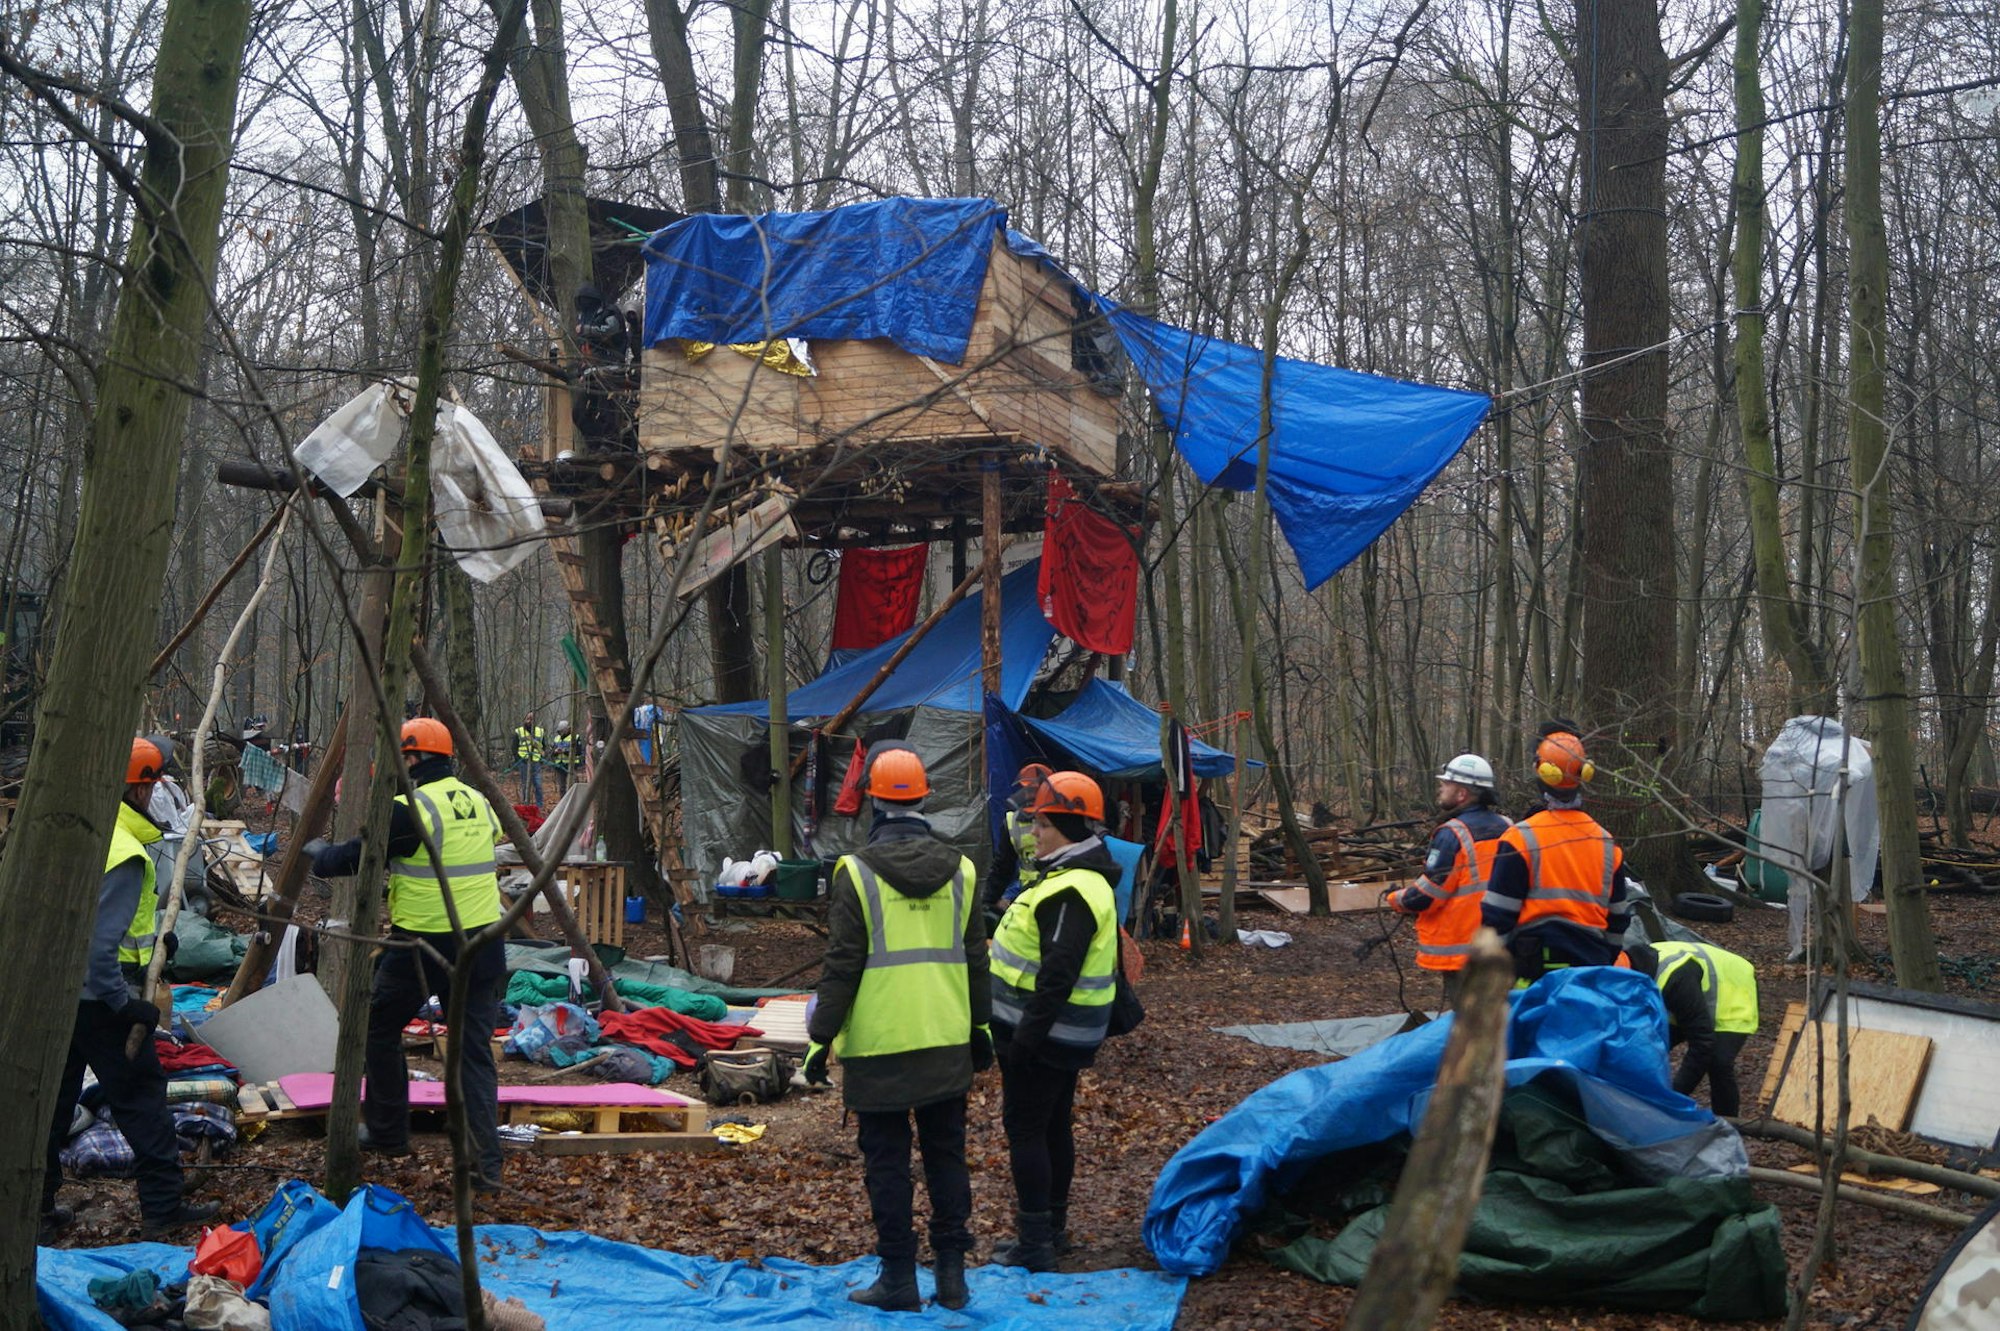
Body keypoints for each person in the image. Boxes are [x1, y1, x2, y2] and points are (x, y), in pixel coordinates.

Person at [802, 746, 991, 1312]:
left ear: (873, 803)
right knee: (946, 1157)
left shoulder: (855, 873)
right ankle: (953, 1279)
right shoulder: (963, 870)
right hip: (946, 1037)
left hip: (880, 1048)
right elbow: (975, 958)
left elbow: (842, 965)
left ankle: (900, 1280)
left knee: (887, 1165)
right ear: (924, 800)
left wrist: (818, 1042)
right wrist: (981, 1026)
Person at [307, 718, 508, 1190]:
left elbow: (358, 856)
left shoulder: (410, 808)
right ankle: (486, 1168)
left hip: (421, 944)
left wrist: (320, 854)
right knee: (472, 1053)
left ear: (411, 759)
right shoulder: (477, 800)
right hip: (483, 944)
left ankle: (389, 1133)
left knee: (377, 1028)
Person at [43, 738, 221, 1242]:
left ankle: (35, 1208)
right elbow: (99, 948)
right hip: (102, 999)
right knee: (143, 1100)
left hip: (60, 999)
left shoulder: (78, 832)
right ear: (138, 788)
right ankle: (163, 1209)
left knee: (51, 1108)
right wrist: (128, 1007)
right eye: (154, 782)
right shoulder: (124, 852)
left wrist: (155, 945)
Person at [989, 770, 1121, 1272]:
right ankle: (1052, 1231)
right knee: (1051, 1127)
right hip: (1055, 1033)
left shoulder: (1071, 889)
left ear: (1065, 827)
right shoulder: (1071, 878)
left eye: (1041, 824)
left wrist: (1024, 1040)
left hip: (1044, 1037)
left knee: (1027, 1130)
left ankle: (1036, 1242)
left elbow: (1058, 974)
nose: (1034, 833)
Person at [1482, 723, 1634, 982]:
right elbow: (1618, 918)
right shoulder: (1606, 843)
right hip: (1589, 974)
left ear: (1540, 771)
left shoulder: (1520, 838)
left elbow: (1497, 917)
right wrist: (1603, 959)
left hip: (1530, 977)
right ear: (1584, 772)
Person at [1389, 753, 1511, 1006]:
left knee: (1468, 1026)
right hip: (1503, 945)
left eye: (1446, 783)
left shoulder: (1452, 834)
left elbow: (1427, 895)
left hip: (1464, 950)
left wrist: (1396, 898)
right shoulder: (1509, 827)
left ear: (1462, 794)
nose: (1440, 787)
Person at [1624, 940, 1759, 1118]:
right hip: (1687, 997)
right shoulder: (1634, 969)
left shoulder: (1675, 979)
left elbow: (1702, 1044)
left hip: (1731, 992)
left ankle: (1729, 1125)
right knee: (1651, 1045)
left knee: (1718, 1063)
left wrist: (1674, 1097)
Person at [997, 762, 1054, 909]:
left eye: (1034, 790)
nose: (1030, 794)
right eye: (1028, 789)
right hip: (1026, 894)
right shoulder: (1012, 821)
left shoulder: (1060, 818)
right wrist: (991, 901)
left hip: (1054, 892)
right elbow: (1002, 867)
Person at [514, 712, 545, 807]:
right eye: (528, 719)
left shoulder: (540, 731)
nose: (530, 721)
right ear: (524, 719)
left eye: (532, 719)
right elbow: (514, 747)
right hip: (523, 762)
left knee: (538, 785)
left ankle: (539, 806)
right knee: (525, 785)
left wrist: (541, 758)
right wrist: (519, 759)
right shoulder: (519, 731)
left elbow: (544, 746)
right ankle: (525, 804)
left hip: (536, 762)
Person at [548, 725, 576, 797]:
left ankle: (572, 801)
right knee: (561, 787)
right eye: (559, 731)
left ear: (567, 730)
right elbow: (551, 752)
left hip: (570, 765)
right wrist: (555, 752)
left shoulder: (574, 737)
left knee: (572, 785)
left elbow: (577, 751)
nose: (561, 733)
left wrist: (564, 751)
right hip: (559, 765)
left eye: (562, 731)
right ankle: (562, 802)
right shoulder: (556, 738)